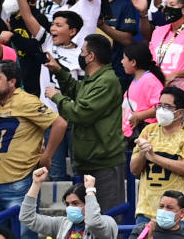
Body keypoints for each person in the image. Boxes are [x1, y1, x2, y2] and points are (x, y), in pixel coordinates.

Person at [0, 60, 66, 239]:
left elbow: (59, 124)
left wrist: (47, 155)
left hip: (20, 183)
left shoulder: (27, 101)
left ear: (12, 82)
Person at [44, 34, 126, 212]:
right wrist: (59, 70)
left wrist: (57, 97)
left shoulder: (107, 81)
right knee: (87, 217)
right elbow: (76, 90)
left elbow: (81, 113)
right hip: (89, 161)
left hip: (104, 163)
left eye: (82, 51)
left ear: (91, 57)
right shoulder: (94, 80)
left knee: (107, 217)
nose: (80, 55)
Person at [129, 86, 184, 219]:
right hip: (146, 211)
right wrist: (143, 153)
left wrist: (153, 157)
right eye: (159, 105)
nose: (161, 110)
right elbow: (134, 170)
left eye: (167, 106)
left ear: (180, 113)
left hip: (178, 213)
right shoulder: (148, 130)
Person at [120, 41, 164, 140]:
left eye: (124, 58)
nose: (121, 62)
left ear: (133, 62)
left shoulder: (150, 81)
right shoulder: (136, 80)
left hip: (144, 135)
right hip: (130, 134)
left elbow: (161, 106)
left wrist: (139, 116)